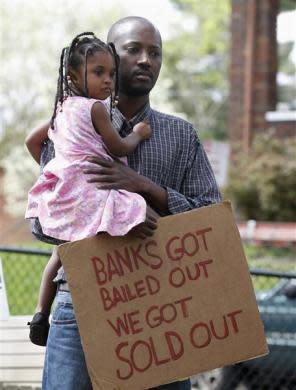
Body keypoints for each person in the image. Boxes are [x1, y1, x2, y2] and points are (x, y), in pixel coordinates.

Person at [33, 16, 221, 390]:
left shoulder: (181, 135)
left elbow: (212, 218)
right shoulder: (68, 124)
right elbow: (42, 224)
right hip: (80, 304)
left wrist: (145, 188)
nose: (146, 60)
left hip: (161, 311)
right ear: (107, 58)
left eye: (155, 53)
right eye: (134, 49)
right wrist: (93, 210)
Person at [25, 32, 155, 347]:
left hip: (64, 188)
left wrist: (53, 166)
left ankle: (41, 312)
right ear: (73, 75)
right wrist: (138, 134)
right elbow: (118, 145)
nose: (108, 81)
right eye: (98, 73)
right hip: (91, 186)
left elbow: (32, 141)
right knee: (139, 215)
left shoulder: (62, 108)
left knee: (63, 251)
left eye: (111, 73)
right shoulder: (96, 109)